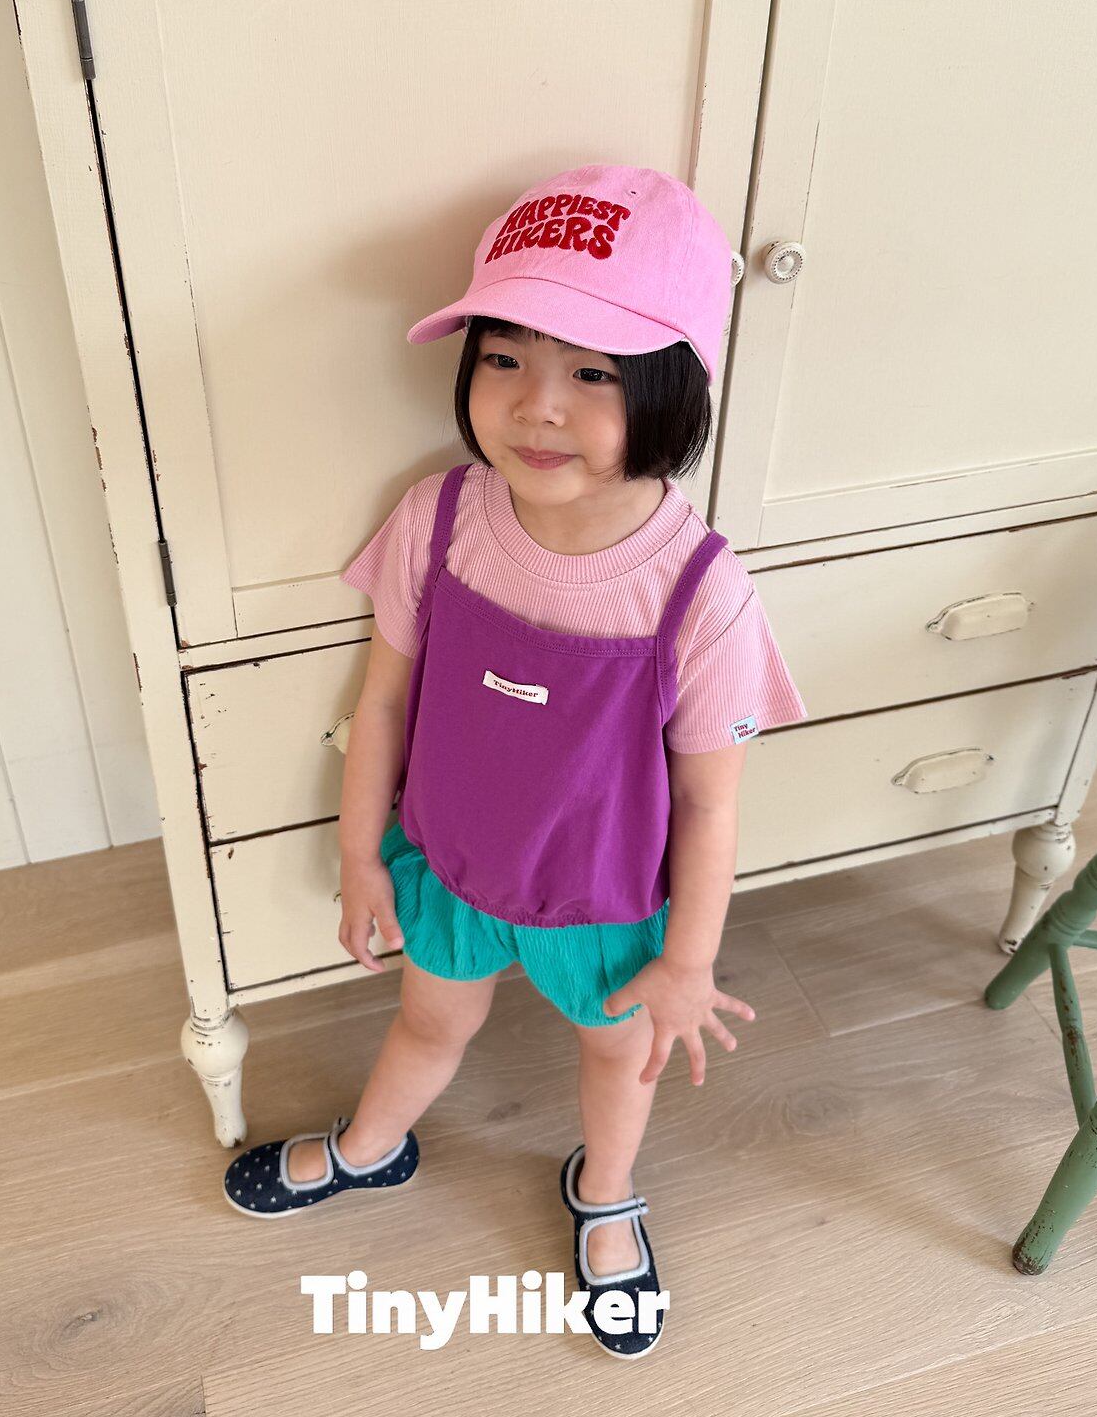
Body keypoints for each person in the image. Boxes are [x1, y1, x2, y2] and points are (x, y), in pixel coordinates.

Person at [224, 164, 808, 1359]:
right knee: (425, 1022)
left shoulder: (699, 592)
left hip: (605, 906)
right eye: (503, 357)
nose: (537, 406)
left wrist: (687, 963)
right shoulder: (437, 520)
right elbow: (382, 701)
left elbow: (708, 803)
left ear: (672, 383)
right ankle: (372, 1148)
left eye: (591, 372)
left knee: (618, 1054)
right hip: (447, 866)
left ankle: (605, 1190)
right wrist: (361, 856)